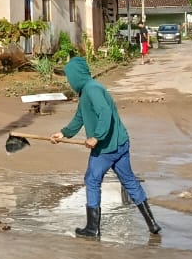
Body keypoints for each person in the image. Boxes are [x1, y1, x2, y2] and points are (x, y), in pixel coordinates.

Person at [49, 56, 162, 238]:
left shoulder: (92, 90)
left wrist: (96, 137)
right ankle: (152, 224)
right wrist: (63, 133)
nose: (69, 82)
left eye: (69, 77)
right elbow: (80, 117)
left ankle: (92, 228)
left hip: (106, 148)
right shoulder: (89, 89)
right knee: (130, 181)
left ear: (76, 76)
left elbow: (105, 112)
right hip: (120, 143)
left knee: (92, 181)